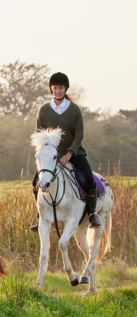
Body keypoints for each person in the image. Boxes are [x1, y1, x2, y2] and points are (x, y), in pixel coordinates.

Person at [29, 71, 101, 231]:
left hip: (74, 154)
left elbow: (79, 135)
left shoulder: (74, 109)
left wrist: (70, 153)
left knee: (89, 179)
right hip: (51, 158)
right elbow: (40, 135)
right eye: (55, 88)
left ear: (65, 89)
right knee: (35, 182)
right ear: (51, 89)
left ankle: (91, 214)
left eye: (60, 88)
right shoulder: (43, 110)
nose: (57, 91)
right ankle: (40, 215)